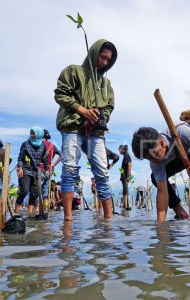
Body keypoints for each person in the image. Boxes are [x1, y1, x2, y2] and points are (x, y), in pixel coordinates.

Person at [54, 39, 118, 221]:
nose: (104, 62)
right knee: (70, 169)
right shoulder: (74, 71)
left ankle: (109, 220)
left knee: (102, 173)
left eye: (108, 60)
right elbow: (60, 94)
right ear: (94, 53)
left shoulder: (106, 84)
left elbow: (110, 107)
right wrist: (82, 110)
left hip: (95, 133)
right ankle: (68, 219)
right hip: (72, 127)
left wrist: (100, 116)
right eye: (102, 57)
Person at [131, 123, 190, 222]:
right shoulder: (155, 163)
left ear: (162, 144)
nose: (153, 160)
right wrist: (161, 226)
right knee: (155, 178)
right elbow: (162, 191)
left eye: (153, 155)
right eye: (148, 158)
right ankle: (181, 213)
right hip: (181, 155)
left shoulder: (181, 133)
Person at [15, 127, 49, 213]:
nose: (31, 135)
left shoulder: (43, 145)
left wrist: (47, 168)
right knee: (24, 191)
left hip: (36, 171)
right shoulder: (25, 144)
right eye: (31, 133)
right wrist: (20, 167)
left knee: (35, 193)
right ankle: (16, 211)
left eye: (33, 133)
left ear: (39, 135)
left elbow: (45, 158)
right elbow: (20, 157)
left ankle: (30, 213)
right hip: (26, 169)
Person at [39, 129, 62, 205]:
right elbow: (62, 156)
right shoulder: (53, 146)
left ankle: (35, 209)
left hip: (40, 168)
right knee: (45, 189)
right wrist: (53, 164)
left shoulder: (39, 144)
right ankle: (45, 208)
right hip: (49, 169)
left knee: (37, 188)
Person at [118, 144, 132, 209]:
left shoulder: (127, 156)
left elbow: (129, 165)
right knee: (125, 190)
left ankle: (126, 205)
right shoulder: (125, 156)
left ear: (123, 150)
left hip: (125, 176)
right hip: (124, 176)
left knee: (125, 190)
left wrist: (128, 175)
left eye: (119, 149)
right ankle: (125, 205)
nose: (119, 151)